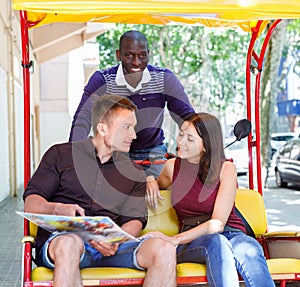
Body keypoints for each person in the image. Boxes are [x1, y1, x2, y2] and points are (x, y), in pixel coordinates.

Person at [23, 94, 177, 287]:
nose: (134, 135)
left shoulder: (134, 172)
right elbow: (31, 203)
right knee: (69, 244)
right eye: (127, 127)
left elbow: (135, 219)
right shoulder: (59, 155)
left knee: (164, 248)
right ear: (102, 128)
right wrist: (58, 209)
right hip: (65, 242)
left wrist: (114, 239)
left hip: (113, 247)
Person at [143, 112, 275, 287]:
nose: (181, 142)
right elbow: (158, 184)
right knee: (216, 242)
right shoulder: (171, 167)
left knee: (249, 248)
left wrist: (175, 239)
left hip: (231, 233)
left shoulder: (226, 169)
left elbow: (218, 224)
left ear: (206, 145)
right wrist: (150, 180)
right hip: (191, 238)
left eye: (190, 139)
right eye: (181, 134)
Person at [69, 30, 195, 178]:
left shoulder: (164, 78)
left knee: (157, 189)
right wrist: (73, 156)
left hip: (153, 151)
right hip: (114, 151)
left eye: (142, 55)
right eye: (129, 55)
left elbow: (188, 118)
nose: (136, 62)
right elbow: (83, 118)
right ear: (118, 55)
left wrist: (202, 147)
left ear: (148, 54)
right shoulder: (102, 80)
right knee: (112, 188)